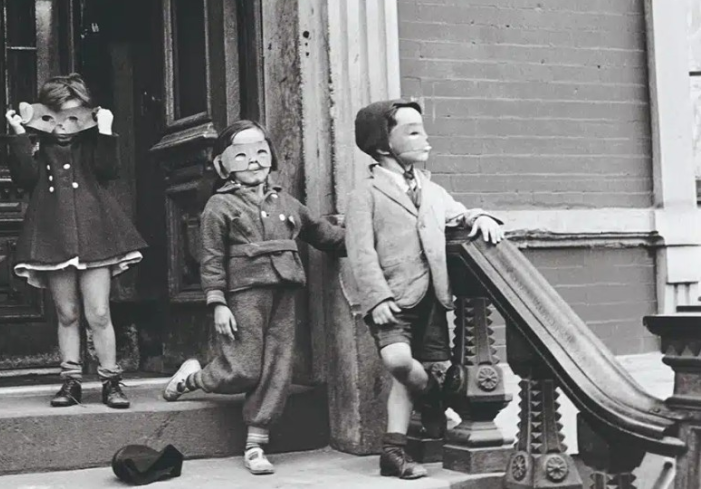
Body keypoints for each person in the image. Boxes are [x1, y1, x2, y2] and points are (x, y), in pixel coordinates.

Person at [162, 120, 345, 475]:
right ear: (222, 165)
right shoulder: (219, 206)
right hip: (244, 295)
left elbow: (324, 234)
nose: (253, 160)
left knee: (277, 367)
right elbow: (211, 258)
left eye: (260, 151)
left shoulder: (286, 202)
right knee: (244, 368)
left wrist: (368, 237)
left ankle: (256, 443)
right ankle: (194, 377)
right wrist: (218, 303)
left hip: (285, 291)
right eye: (241, 155)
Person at [344, 99, 504, 479]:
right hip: (391, 300)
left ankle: (393, 453)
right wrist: (377, 298)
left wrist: (478, 216)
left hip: (431, 298)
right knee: (399, 362)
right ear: (384, 146)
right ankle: (432, 398)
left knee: (409, 374)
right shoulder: (364, 194)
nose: (425, 138)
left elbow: (456, 213)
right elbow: (360, 251)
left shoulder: (432, 190)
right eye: (413, 131)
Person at [5, 73, 147, 409]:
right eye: (56, 117)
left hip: (95, 234)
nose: (64, 127)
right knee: (67, 312)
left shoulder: (91, 142)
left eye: (72, 116)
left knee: (98, 312)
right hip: (53, 236)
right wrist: (19, 136)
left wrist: (106, 131)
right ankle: (70, 381)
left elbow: (108, 170)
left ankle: (111, 380)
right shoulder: (38, 145)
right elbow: (24, 177)